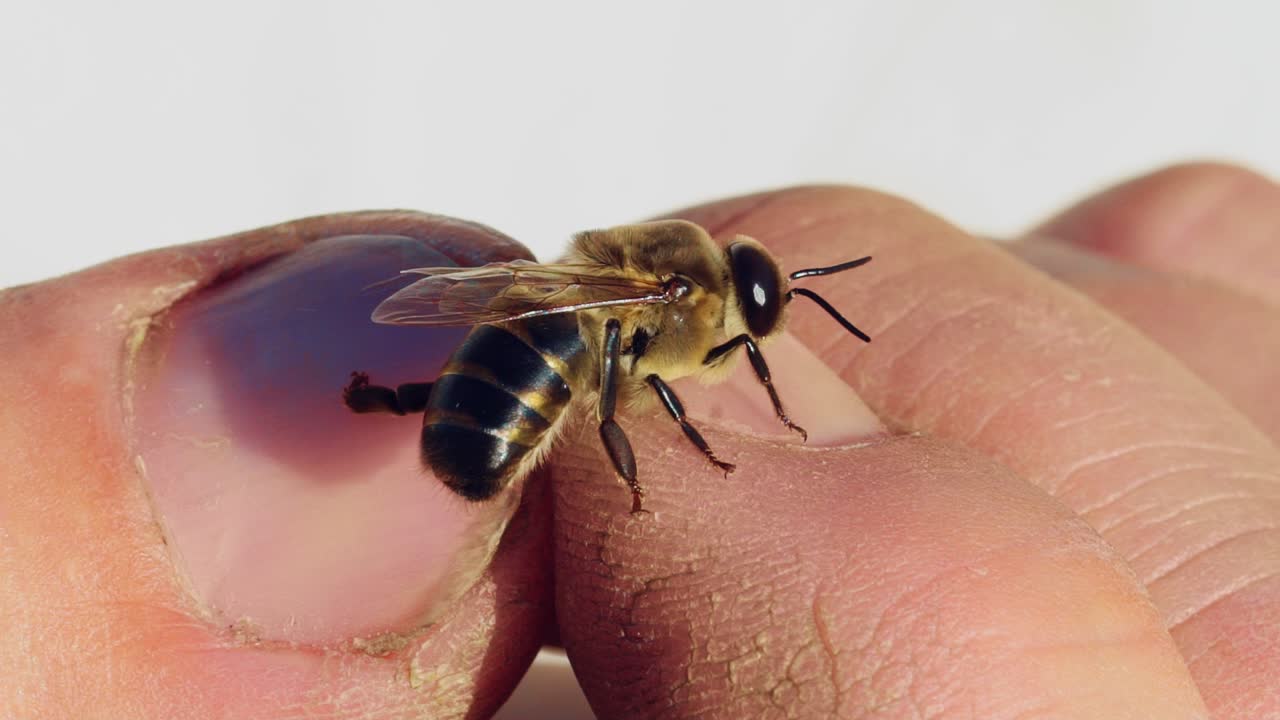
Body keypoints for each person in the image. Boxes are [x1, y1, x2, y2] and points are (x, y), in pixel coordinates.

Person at [2, 163, 1275, 719]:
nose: (763, 333)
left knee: (542, 361)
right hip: (539, 365)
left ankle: (396, 412)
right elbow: (627, 382)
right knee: (572, 376)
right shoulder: (686, 312)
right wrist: (711, 444)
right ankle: (404, 416)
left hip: (525, 341)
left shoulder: (646, 279)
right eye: (762, 320)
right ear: (724, 302)